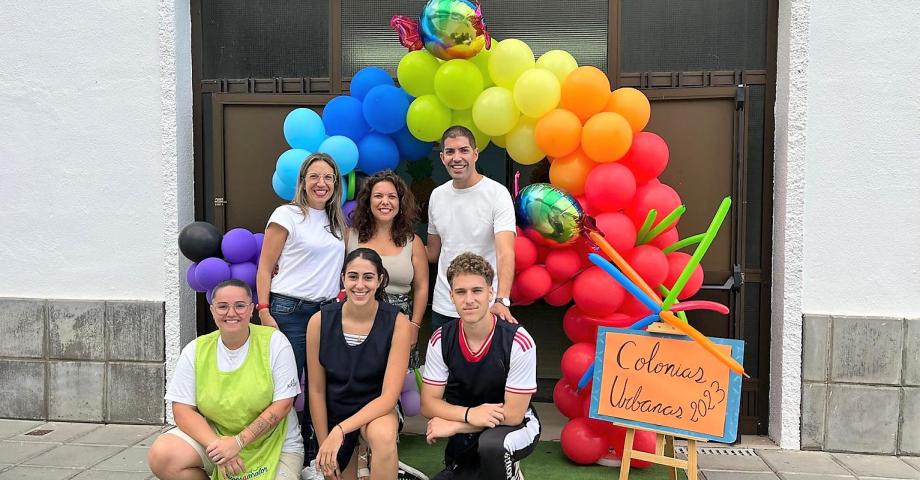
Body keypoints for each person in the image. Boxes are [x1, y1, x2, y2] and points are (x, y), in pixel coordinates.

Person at [148, 279, 304, 480]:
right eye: (223, 306)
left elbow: (283, 405)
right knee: (163, 454)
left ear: (251, 310)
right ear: (212, 311)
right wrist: (219, 448)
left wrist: (237, 443)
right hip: (219, 440)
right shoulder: (196, 350)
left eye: (240, 306)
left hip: (276, 444)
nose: (231, 313)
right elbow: (182, 410)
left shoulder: (275, 342)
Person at [256, 152, 347, 459]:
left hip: (326, 314)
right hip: (288, 311)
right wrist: (264, 310)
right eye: (314, 177)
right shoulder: (286, 215)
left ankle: (312, 456)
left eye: (328, 178)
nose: (321, 184)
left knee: (320, 389)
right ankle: (272, 452)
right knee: (284, 386)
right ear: (303, 182)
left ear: (336, 184)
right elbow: (266, 266)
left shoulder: (337, 223)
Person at [421, 253, 540, 480]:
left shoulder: (518, 341)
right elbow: (428, 404)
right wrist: (470, 414)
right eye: (460, 292)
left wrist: (458, 425)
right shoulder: (441, 338)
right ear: (451, 296)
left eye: (477, 291)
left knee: (492, 447)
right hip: (467, 422)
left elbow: (514, 415)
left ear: (490, 293)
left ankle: (511, 472)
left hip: (514, 428)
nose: (469, 300)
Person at [307, 248, 415, 479]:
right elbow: (315, 390)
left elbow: (388, 397)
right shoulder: (319, 321)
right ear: (343, 278)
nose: (360, 285)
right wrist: (325, 441)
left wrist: (341, 431)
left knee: (384, 437)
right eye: (353, 276)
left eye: (368, 277)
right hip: (337, 408)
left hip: (377, 408)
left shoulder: (397, 322)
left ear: (380, 280)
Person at [426, 126, 517, 328]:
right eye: (450, 152)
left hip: (485, 306)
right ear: (442, 157)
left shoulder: (497, 194)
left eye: (464, 150)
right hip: (444, 305)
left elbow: (505, 253)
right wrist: (392, 244)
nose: (456, 158)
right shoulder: (437, 196)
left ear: (475, 154)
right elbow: (432, 252)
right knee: (443, 360)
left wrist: (502, 300)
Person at [347, 170, 429, 368]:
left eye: (392, 196)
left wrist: (414, 326)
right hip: (357, 321)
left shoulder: (413, 242)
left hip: (400, 323)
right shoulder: (349, 236)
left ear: (400, 203)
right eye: (378, 196)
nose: (385, 202)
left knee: (400, 383)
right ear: (367, 202)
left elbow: (422, 287)